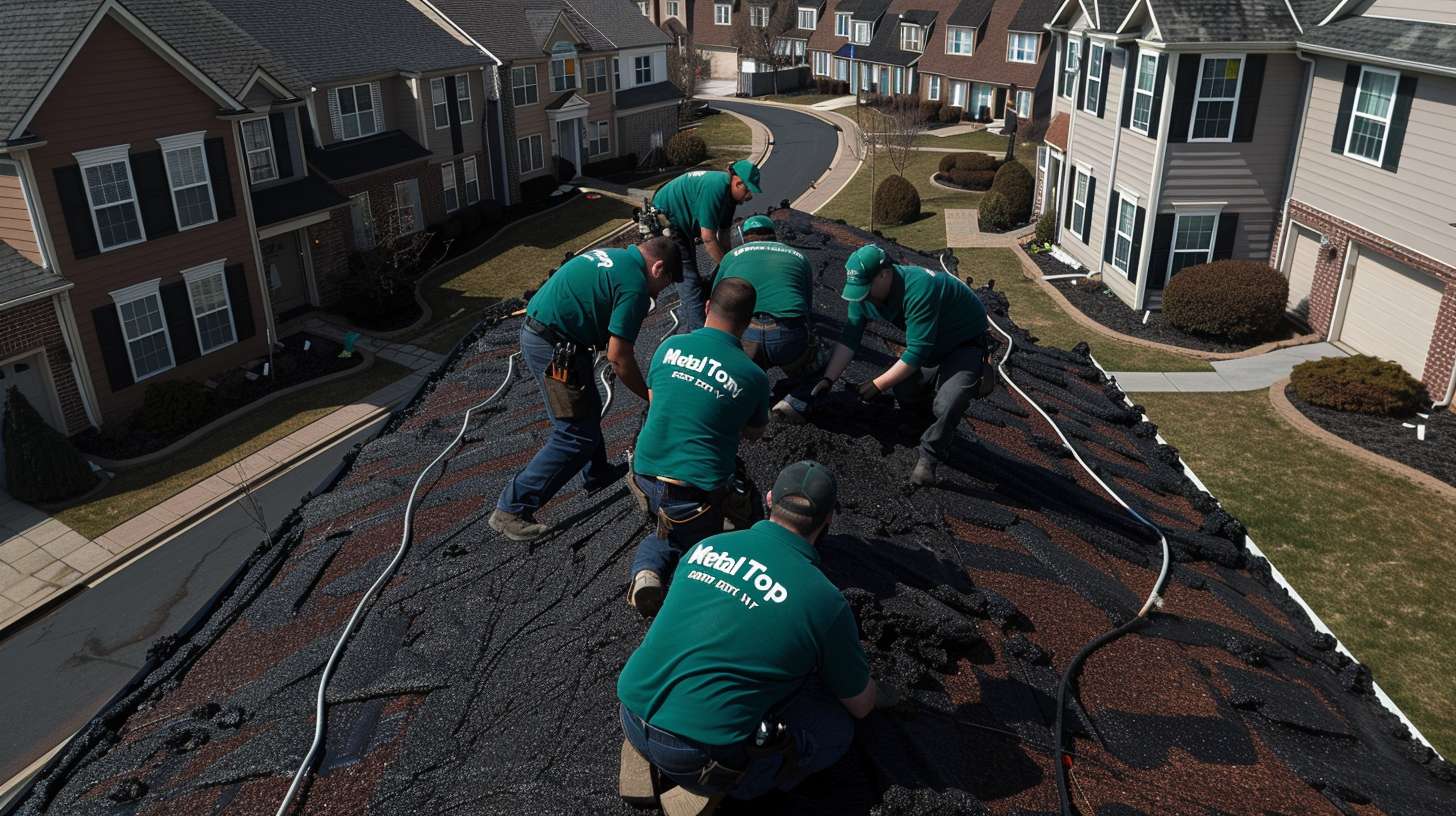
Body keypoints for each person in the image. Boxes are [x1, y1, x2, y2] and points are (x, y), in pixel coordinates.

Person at [616, 461, 893, 813]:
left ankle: (647, 749)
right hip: (697, 751)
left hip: (630, 709)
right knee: (835, 728)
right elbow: (862, 704)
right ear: (828, 521)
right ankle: (720, 781)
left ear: (769, 498)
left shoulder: (708, 546)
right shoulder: (824, 599)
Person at [489, 237, 682, 541]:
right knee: (575, 434)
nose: (659, 293)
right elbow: (619, 358)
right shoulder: (633, 285)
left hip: (556, 335)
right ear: (658, 268)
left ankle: (597, 473)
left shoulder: (615, 257)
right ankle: (511, 509)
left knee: (588, 406)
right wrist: (648, 396)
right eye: (665, 283)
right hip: (551, 344)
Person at [625, 277, 770, 617]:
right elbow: (755, 433)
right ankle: (698, 591)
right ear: (748, 322)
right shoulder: (752, 376)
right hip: (695, 495)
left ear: (707, 308)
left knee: (667, 528)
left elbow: (656, 399)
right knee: (726, 529)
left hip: (644, 473)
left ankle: (647, 571)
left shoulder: (667, 347)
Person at [816, 245, 990, 487]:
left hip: (964, 343)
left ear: (885, 274)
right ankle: (920, 420)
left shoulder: (919, 288)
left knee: (949, 401)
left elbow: (916, 353)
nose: (861, 296)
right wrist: (828, 380)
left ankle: (930, 456)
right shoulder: (864, 294)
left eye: (865, 288)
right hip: (932, 343)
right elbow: (850, 338)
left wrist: (876, 385)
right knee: (905, 387)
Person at [711, 214, 822, 423]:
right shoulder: (797, 256)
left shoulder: (732, 256)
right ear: (775, 237)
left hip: (746, 332)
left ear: (744, 238)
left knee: (740, 372)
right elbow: (806, 309)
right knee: (821, 365)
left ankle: (743, 407)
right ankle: (793, 403)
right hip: (787, 333)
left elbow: (718, 299)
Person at [650, 159, 762, 331]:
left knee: (699, 275)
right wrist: (728, 269)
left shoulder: (730, 198)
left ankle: (689, 312)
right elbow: (708, 238)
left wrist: (731, 261)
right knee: (689, 278)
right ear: (738, 183)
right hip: (668, 220)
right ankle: (699, 333)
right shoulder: (715, 188)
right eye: (748, 191)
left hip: (683, 225)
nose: (749, 198)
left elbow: (723, 233)